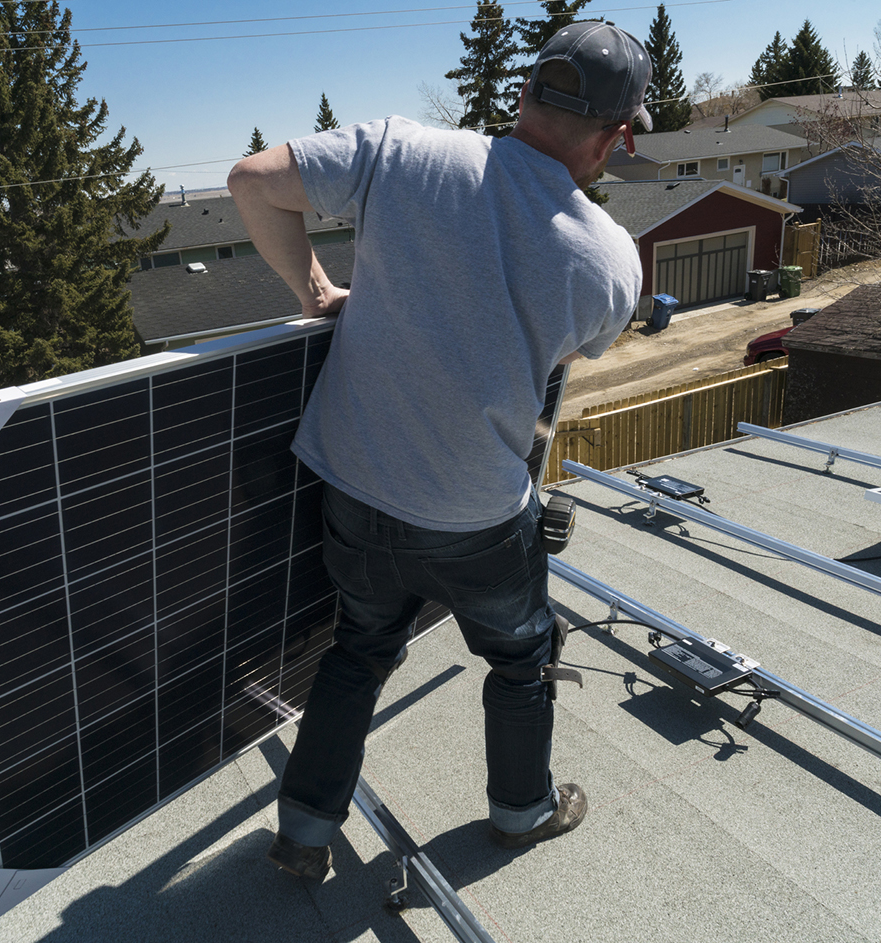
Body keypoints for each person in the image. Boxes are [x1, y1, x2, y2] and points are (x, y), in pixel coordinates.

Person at [227, 20, 651, 880]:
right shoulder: (609, 258)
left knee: (358, 649)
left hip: (355, 491)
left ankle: (303, 836)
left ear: (525, 92)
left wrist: (315, 291)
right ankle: (520, 812)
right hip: (476, 522)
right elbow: (562, 353)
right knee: (521, 654)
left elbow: (250, 181)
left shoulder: (404, 150)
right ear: (615, 138)